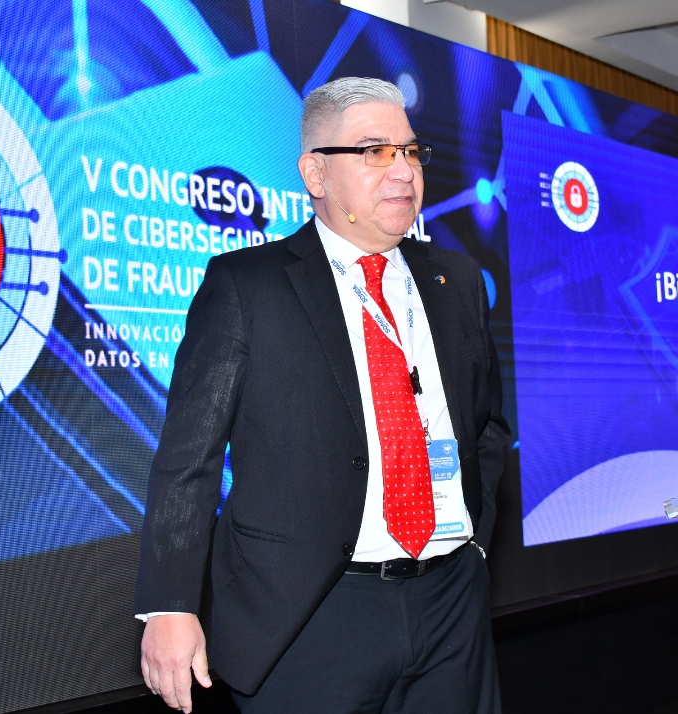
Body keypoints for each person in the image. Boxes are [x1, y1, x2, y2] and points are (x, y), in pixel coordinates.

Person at [135, 76, 511, 714]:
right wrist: (170, 604)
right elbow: (189, 458)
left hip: (452, 605)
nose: (403, 171)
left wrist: (474, 547)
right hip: (312, 613)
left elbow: (487, 428)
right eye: (375, 151)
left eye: (411, 151)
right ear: (315, 173)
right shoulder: (248, 285)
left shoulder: (457, 280)